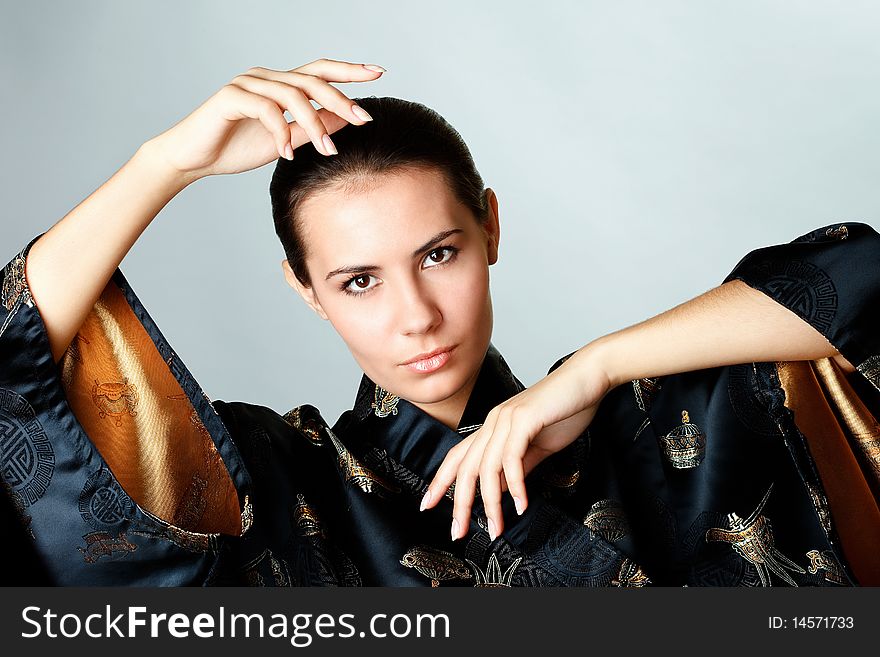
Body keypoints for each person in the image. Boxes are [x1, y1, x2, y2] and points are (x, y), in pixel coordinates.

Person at [1, 59, 878, 586]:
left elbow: (861, 274)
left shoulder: (652, 415)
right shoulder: (284, 486)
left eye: (438, 254)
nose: (416, 317)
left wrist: (595, 370)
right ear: (305, 289)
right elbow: (16, 374)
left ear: (490, 225)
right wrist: (168, 163)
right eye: (357, 281)